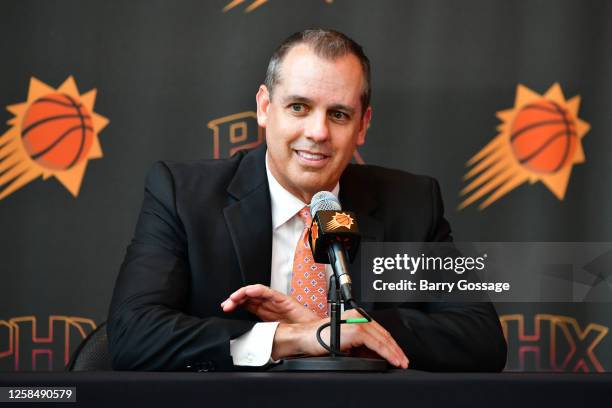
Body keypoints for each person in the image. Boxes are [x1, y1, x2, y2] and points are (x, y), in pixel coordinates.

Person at [107, 29, 507, 371]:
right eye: (299, 107)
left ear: (363, 125)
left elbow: (480, 337)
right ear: (265, 108)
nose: (317, 132)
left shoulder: (411, 204)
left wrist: (346, 330)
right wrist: (291, 337)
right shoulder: (185, 196)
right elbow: (132, 333)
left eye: (338, 115)